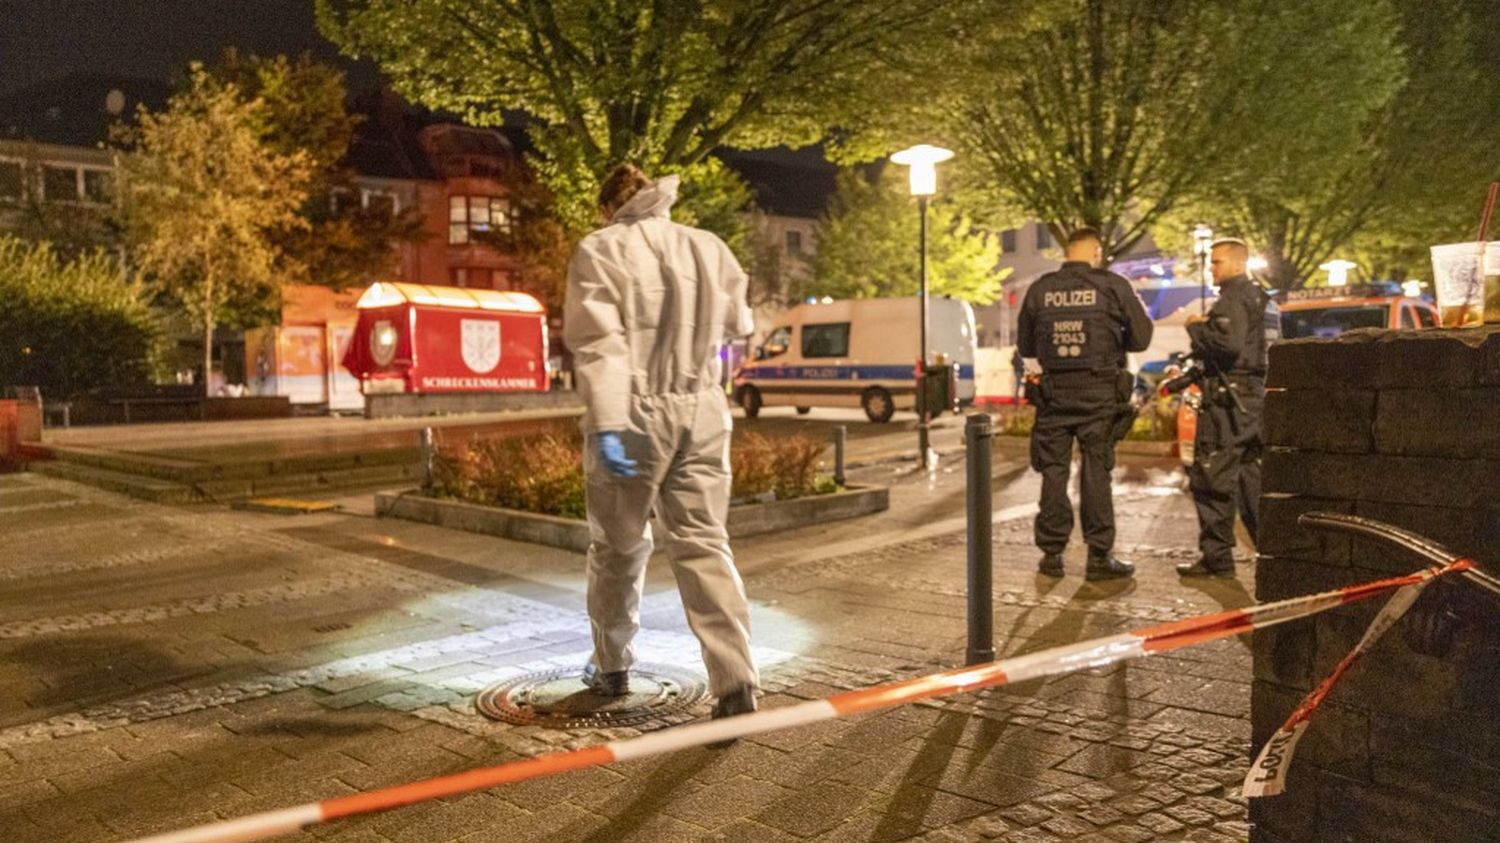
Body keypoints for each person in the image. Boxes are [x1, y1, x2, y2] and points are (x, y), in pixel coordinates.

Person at [563, 163, 759, 731]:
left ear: (608, 207)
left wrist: (607, 423)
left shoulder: (600, 250)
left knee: (618, 547)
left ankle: (612, 665)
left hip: (632, 412)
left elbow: (601, 346)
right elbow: (738, 323)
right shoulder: (709, 246)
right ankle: (735, 677)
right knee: (703, 542)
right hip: (702, 406)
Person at [1017, 227, 1153, 580]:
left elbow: (1027, 347)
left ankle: (1051, 555)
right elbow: (1141, 338)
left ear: (1067, 252)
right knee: (1096, 474)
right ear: (1096, 253)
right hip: (1099, 394)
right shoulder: (1113, 286)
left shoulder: (1041, 289)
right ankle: (1098, 557)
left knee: (1053, 472)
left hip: (1055, 395)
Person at [1178, 238, 1280, 577]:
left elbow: (1227, 345)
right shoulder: (1262, 299)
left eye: (1217, 262)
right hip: (1253, 400)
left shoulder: (1232, 300)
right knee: (1250, 478)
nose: (1212, 268)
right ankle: (1271, 551)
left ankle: (1216, 558)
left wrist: (1195, 327)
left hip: (1229, 402)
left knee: (1212, 477)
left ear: (1238, 264)